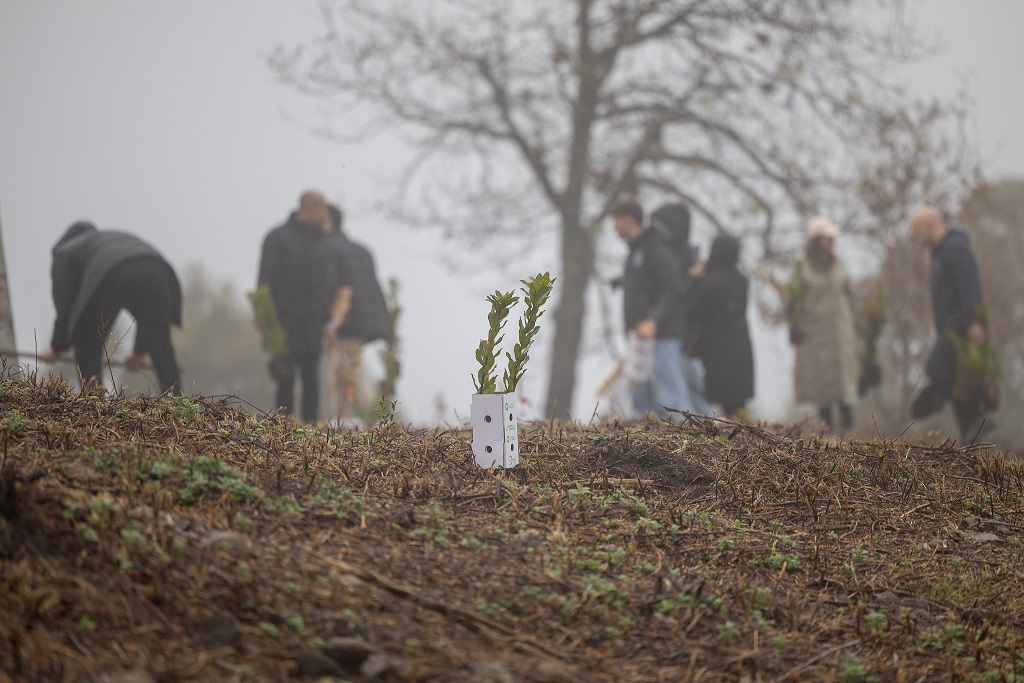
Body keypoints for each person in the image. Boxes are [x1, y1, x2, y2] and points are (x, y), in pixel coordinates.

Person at [39, 222, 182, 393]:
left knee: (86, 341)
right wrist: (140, 350)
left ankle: (94, 405)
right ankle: (178, 404)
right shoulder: (105, 242)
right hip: (157, 268)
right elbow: (150, 317)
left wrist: (56, 346)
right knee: (161, 344)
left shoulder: (64, 252)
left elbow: (66, 307)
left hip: (111, 271)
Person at [612, 201, 703, 418]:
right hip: (640, 338)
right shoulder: (637, 252)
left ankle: (688, 444)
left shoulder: (656, 249)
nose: (613, 227)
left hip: (662, 333)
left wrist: (653, 319)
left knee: (670, 397)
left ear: (628, 220)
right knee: (643, 398)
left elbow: (673, 289)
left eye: (615, 221)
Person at [908, 205, 992, 440]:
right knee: (957, 380)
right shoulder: (939, 252)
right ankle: (973, 427)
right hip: (950, 326)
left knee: (936, 368)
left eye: (915, 229)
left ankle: (946, 404)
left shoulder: (955, 249)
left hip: (960, 325)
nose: (912, 236)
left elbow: (970, 285)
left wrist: (973, 322)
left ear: (929, 225)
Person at [257, 190, 334, 422]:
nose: (323, 214)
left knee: (312, 379)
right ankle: (283, 427)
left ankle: (311, 431)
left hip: (313, 323)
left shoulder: (322, 243)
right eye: (321, 208)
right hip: (284, 321)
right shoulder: (277, 238)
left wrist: (328, 322)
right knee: (285, 376)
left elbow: (327, 285)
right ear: (308, 206)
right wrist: (264, 313)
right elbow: (265, 278)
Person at [786, 216, 858, 431]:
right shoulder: (802, 269)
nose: (832, 242)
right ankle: (828, 436)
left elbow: (850, 297)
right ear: (817, 240)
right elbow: (793, 301)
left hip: (840, 336)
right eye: (828, 238)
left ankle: (847, 435)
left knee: (845, 390)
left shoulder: (839, 267)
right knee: (822, 393)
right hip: (815, 338)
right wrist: (793, 323)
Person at [321, 204, 389, 422]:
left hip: (345, 321)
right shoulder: (361, 249)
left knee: (347, 373)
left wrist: (329, 322)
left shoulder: (328, 249)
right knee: (345, 369)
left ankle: (368, 421)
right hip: (365, 321)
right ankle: (343, 421)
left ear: (328, 221)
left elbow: (329, 287)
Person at [687, 234, 754, 417]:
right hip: (739, 343)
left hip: (716, 346)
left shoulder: (711, 282)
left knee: (726, 399)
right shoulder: (740, 279)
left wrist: (694, 279)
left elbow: (692, 308)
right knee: (737, 400)